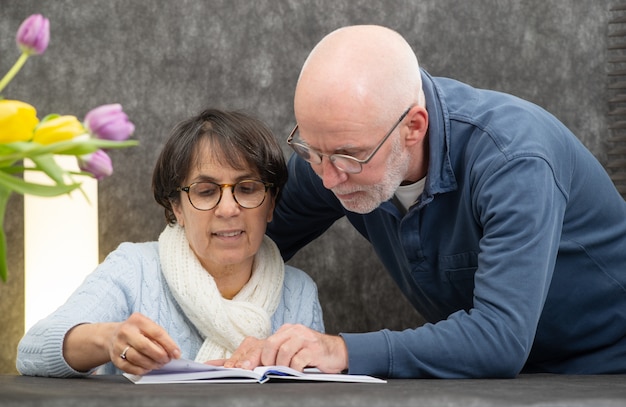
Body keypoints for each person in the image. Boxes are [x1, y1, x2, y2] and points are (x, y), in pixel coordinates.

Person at [223, 25, 626, 378]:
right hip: (505, 380)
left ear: (413, 127)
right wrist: (160, 323)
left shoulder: (514, 161)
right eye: (312, 150)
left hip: (607, 370)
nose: (328, 178)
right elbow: (236, 244)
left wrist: (340, 350)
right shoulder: (333, 154)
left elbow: (499, 338)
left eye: (349, 156)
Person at [16, 108, 324, 377]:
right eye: (205, 191)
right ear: (177, 207)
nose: (229, 209)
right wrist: (109, 340)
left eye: (247, 188)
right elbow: (32, 351)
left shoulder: (298, 293)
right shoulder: (133, 270)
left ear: (271, 204)